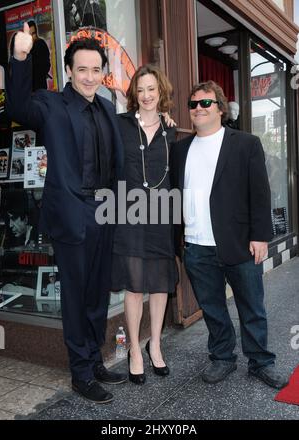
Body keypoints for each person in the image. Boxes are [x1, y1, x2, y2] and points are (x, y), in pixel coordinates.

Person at [6, 23, 126, 404]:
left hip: (104, 211)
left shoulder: (108, 107)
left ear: (102, 73)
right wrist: (20, 57)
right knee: (76, 297)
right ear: (70, 72)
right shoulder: (51, 104)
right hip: (72, 213)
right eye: (82, 70)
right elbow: (17, 107)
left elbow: (118, 164)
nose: (90, 77)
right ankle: (80, 373)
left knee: (98, 293)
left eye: (96, 70)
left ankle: (94, 358)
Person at [170, 80, 289, 389]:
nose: (198, 109)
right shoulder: (180, 149)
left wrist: (260, 236)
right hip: (196, 246)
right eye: (193, 104)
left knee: (252, 306)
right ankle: (222, 357)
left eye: (205, 103)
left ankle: (261, 362)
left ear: (220, 108)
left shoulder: (245, 143)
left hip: (239, 243)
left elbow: (259, 193)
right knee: (212, 308)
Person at [111, 65, 178, 385]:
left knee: (161, 284)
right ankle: (135, 350)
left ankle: (156, 345)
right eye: (141, 90)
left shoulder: (171, 131)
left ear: (160, 92)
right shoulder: (120, 125)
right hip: (130, 215)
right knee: (135, 285)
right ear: (133, 95)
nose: (147, 95)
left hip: (162, 217)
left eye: (152, 89)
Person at [27, 20, 51, 91]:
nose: (31, 36)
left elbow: (46, 65)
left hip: (40, 87)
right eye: (29, 34)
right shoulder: (26, 49)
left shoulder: (40, 44)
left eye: (33, 33)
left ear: (36, 32)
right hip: (29, 88)